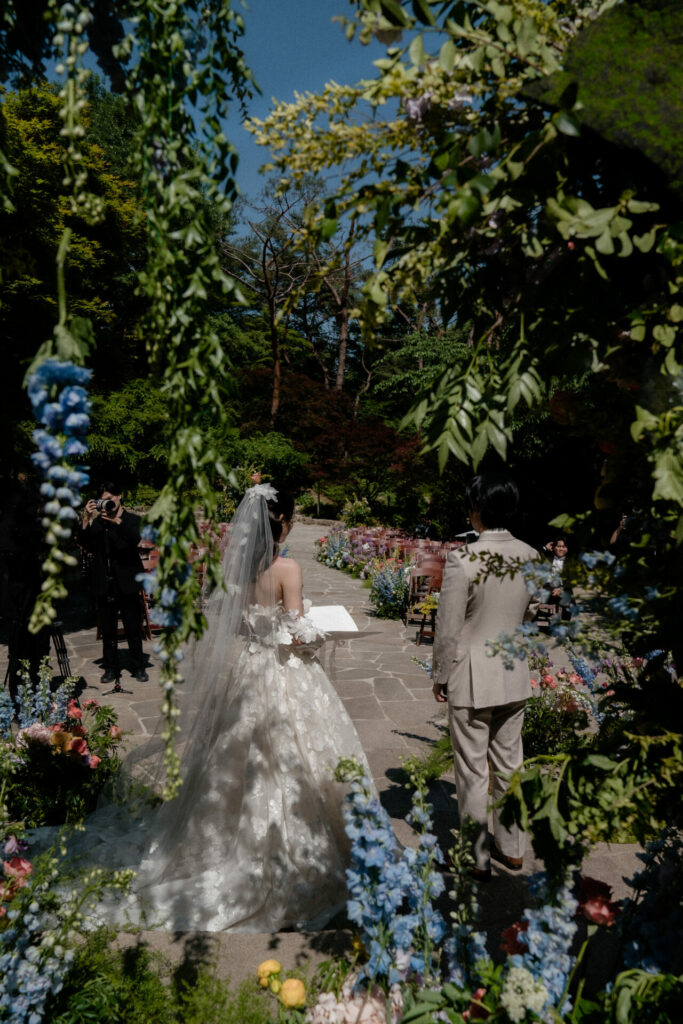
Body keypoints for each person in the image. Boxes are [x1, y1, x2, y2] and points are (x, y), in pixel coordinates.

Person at [38, 484, 371, 932]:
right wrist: (320, 631)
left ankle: (221, 836)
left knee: (235, 751)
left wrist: (269, 626)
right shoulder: (287, 568)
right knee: (296, 753)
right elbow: (295, 634)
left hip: (249, 671)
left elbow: (238, 627)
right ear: (284, 523)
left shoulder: (237, 573)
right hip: (282, 672)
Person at [432, 474, 538, 881]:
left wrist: (440, 674)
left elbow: (448, 627)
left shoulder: (464, 559)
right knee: (510, 765)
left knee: (472, 769)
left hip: (472, 674)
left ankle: (474, 857)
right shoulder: (531, 555)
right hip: (513, 671)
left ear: (476, 510)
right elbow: (529, 615)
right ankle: (512, 850)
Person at [78, 481, 148, 683]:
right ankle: (110, 668)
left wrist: (118, 522)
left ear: (119, 496)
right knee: (108, 629)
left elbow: (135, 540)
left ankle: (138, 666)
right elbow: (85, 543)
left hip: (127, 580)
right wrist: (86, 519)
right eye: (103, 501)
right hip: (105, 581)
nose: (108, 504)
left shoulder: (133, 519)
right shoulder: (99, 522)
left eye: (110, 499)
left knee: (133, 627)